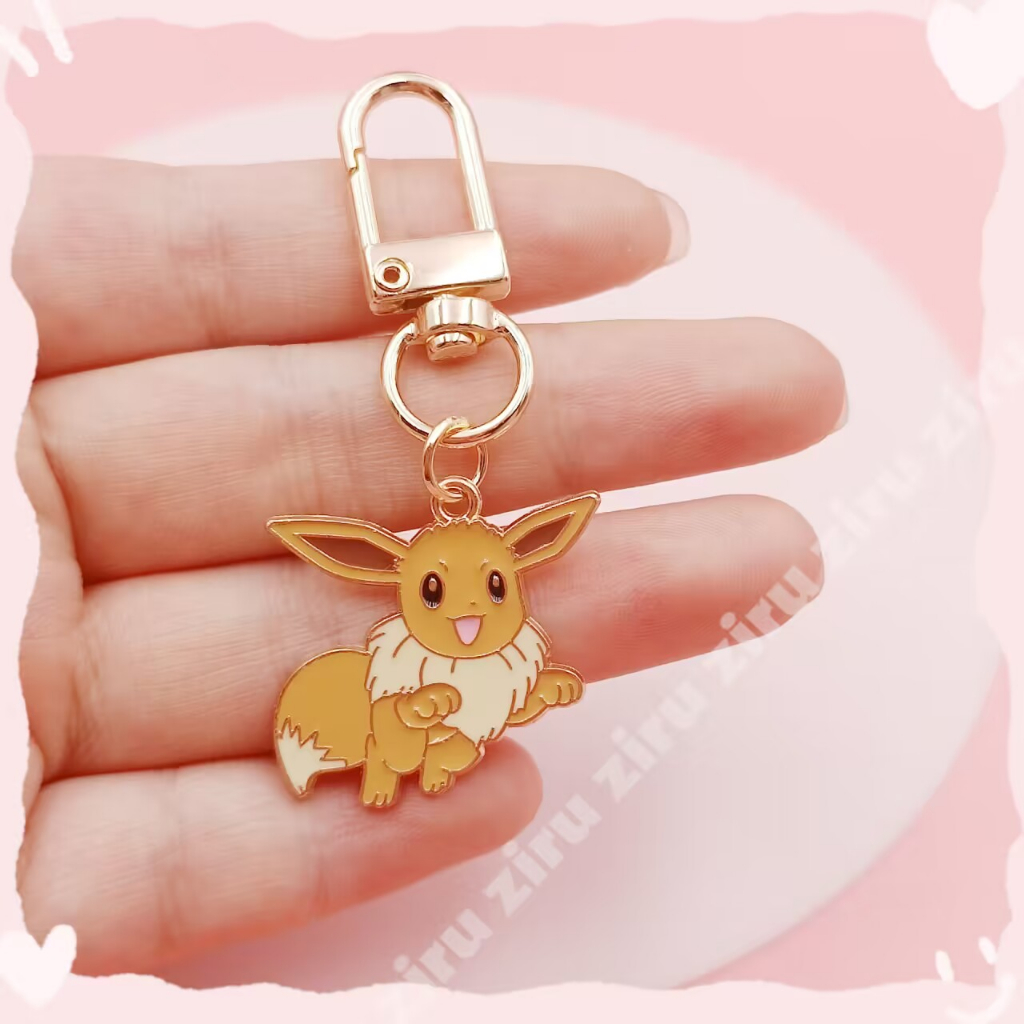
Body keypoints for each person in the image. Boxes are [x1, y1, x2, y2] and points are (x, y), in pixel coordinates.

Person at [12, 155, 846, 975]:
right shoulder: (403, 663)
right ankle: (374, 761)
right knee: (398, 732)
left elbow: (500, 691)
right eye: (440, 591)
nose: (471, 611)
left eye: (492, 585)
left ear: (523, 563)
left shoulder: (501, 655)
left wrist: (535, 688)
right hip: (396, 729)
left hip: (449, 726)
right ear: (403, 584)